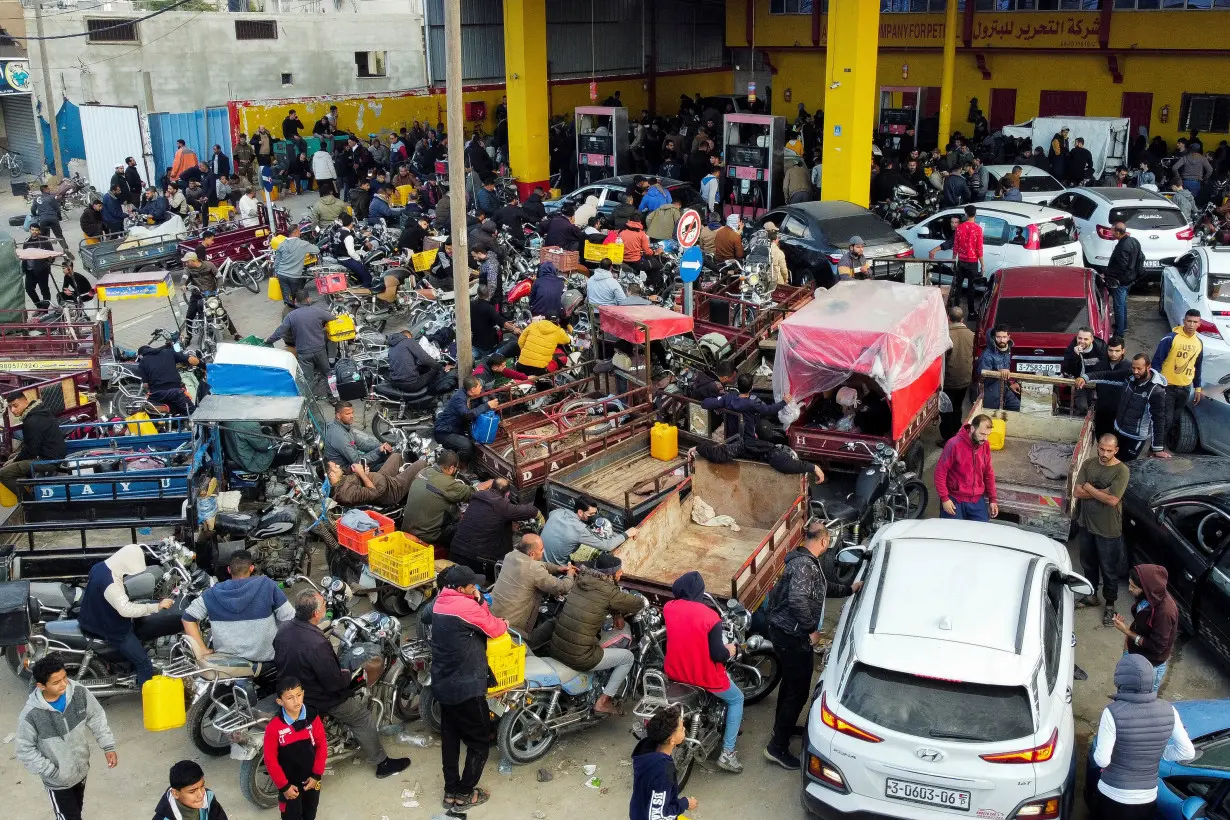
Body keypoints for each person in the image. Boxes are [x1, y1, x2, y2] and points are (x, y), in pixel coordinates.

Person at [274, 590, 409, 778]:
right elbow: (334, 684)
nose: (325, 607)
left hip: (290, 687)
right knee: (362, 717)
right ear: (315, 614)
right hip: (316, 697)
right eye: (323, 605)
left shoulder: (284, 630)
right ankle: (382, 763)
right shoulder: (316, 643)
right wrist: (349, 674)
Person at [763, 521, 858, 770]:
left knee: (791, 684)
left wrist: (850, 589)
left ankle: (781, 728)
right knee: (798, 689)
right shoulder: (805, 565)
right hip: (791, 636)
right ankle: (777, 747)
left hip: (784, 632)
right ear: (825, 541)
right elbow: (797, 600)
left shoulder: (804, 560)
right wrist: (811, 630)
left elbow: (822, 589)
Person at [430, 564, 507, 811]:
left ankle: (450, 790)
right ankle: (464, 794)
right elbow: (495, 628)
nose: (476, 588)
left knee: (451, 738)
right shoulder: (464, 607)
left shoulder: (440, 601)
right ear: (461, 588)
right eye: (472, 585)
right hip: (466, 687)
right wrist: (488, 609)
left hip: (443, 682)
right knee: (479, 741)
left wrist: (477, 600)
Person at [1089, 654, 1194, 820]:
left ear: (1120, 679)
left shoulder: (1112, 712)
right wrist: (1162, 753)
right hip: (1147, 797)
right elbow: (1187, 752)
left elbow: (1102, 760)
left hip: (1112, 794)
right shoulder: (1170, 710)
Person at [16, 653, 118, 820]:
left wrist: (108, 746)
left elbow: (96, 716)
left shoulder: (78, 692)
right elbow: (24, 750)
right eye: (56, 682)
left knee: (76, 811)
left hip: (81, 771)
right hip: (58, 782)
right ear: (41, 686)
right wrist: (53, 772)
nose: (64, 684)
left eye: (64, 677)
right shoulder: (31, 715)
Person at [663, 571, 744, 773]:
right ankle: (728, 753)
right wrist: (730, 650)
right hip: (704, 676)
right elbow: (717, 654)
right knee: (737, 699)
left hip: (675, 672)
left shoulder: (669, 608)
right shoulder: (710, 616)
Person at [549, 552, 645, 716]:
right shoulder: (609, 592)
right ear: (611, 574)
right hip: (580, 657)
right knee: (627, 658)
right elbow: (637, 603)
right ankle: (603, 701)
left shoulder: (581, 580)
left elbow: (599, 601)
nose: (621, 574)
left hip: (557, 647)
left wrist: (616, 613)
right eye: (619, 571)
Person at [76, 544, 174, 686]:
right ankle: (147, 698)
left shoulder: (99, 567)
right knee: (144, 662)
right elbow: (125, 610)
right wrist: (156, 607)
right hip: (110, 628)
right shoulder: (111, 584)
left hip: (91, 618)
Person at [181, 549, 294, 662]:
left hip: (228, 663)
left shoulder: (212, 593)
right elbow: (290, 617)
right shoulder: (267, 585)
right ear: (251, 568)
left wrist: (202, 650)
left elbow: (187, 618)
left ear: (229, 570)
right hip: (265, 661)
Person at [1072, 433, 1130, 627]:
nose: (1104, 453)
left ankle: (1110, 605)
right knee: (1088, 564)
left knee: (1109, 569)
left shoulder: (1121, 471)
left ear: (1116, 450)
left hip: (1108, 530)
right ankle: (1092, 596)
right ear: (1098, 447)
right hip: (1086, 525)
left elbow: (1113, 500)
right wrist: (1101, 491)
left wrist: (1089, 487)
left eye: (1109, 450)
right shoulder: (1089, 464)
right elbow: (1076, 492)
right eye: (1102, 449)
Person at [1077, 354, 1168, 462]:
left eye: (1139, 368)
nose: (1135, 371)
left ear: (1148, 367)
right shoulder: (1130, 376)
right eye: (1133, 368)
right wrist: (1085, 377)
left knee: (1124, 465)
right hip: (1118, 430)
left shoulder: (1156, 391)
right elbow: (1107, 375)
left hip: (1135, 438)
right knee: (1110, 460)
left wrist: (1157, 448)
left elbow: (1158, 419)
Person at [449, 477, 540, 581]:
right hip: (476, 561)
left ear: (490, 488)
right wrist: (539, 514)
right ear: (507, 494)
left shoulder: (476, 498)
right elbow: (529, 511)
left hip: (455, 550)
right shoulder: (503, 506)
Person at [261, 677, 326, 820]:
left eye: (299, 695)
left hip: (312, 780)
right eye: (290, 698)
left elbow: (322, 746)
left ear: (303, 693)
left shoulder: (312, 717)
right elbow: (270, 759)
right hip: (289, 785)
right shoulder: (274, 727)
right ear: (280, 701)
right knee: (290, 816)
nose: (296, 701)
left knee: (310, 812)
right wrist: (284, 787)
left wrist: (316, 776)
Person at [490, 534, 575, 638]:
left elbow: (540, 565)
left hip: (493, 615)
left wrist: (558, 568)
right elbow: (562, 587)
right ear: (532, 554)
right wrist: (570, 574)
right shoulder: (534, 569)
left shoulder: (510, 555)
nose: (543, 551)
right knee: (550, 627)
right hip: (511, 628)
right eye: (542, 549)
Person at [1113, 565, 1180, 694]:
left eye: (1133, 587)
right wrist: (1127, 648)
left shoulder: (1165, 613)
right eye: (1129, 584)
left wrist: (1126, 631)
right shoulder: (1148, 597)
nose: (1129, 589)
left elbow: (1157, 647)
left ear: (1146, 588)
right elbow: (1139, 623)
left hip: (1149, 666)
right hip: (1134, 655)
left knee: (1140, 701)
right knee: (1124, 692)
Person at [402, 450, 485, 548]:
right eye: (456, 469)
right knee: (469, 526)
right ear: (451, 468)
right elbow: (473, 493)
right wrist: (490, 482)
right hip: (428, 535)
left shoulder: (424, 471)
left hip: (407, 528)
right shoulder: (448, 483)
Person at [630, 705, 698, 820]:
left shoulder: (648, 751)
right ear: (672, 740)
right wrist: (685, 803)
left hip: (638, 812)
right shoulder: (662, 771)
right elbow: (658, 815)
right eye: (681, 729)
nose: (684, 730)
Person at [265, 290, 334, 397]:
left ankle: (307, 401)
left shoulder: (291, 316)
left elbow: (280, 332)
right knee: (327, 374)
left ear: (296, 301)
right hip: (319, 349)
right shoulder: (317, 311)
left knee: (307, 378)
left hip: (303, 352)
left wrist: (268, 340)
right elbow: (333, 318)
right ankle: (333, 397)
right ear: (308, 299)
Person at [1152, 309, 1205, 444]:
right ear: (1184, 321)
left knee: (1174, 418)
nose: (1191, 325)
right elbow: (1157, 361)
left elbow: (1197, 366)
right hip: (1167, 387)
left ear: (1199, 323)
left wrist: (1197, 388)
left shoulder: (1199, 343)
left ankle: (1162, 443)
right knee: (1166, 419)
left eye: (1195, 322)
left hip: (1185, 388)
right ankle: (1157, 448)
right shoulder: (1170, 338)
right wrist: (1157, 383)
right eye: (1189, 321)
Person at [935, 413, 999, 522]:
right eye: (982, 434)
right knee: (952, 536)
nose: (985, 438)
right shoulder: (953, 444)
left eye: (988, 434)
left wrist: (993, 499)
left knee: (981, 534)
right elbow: (940, 473)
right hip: (954, 500)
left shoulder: (985, 445)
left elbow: (988, 473)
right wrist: (945, 499)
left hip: (976, 500)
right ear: (972, 429)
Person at [541, 495, 635, 565]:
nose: (594, 516)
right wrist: (627, 533)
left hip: (540, 559)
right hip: (557, 567)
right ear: (580, 512)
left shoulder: (557, 512)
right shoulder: (580, 529)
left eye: (595, 513)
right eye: (591, 514)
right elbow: (608, 545)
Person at [434, 377, 498, 462]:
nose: (481, 388)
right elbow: (467, 415)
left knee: (473, 441)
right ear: (473, 389)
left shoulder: (468, 393)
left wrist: (490, 397)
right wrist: (487, 405)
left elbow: (483, 394)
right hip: (444, 431)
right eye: (479, 387)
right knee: (466, 445)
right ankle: (460, 468)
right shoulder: (459, 398)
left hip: (457, 428)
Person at [182, 251, 241, 341]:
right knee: (189, 316)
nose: (186, 263)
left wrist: (219, 287)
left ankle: (235, 334)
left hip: (211, 295)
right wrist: (183, 285)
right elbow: (184, 277)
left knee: (222, 313)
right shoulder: (188, 268)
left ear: (193, 260)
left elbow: (219, 277)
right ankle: (188, 337)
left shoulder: (209, 265)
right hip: (197, 295)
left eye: (187, 261)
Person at [327, 455, 424, 509]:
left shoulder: (341, 480)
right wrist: (361, 473)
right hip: (389, 491)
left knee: (396, 456)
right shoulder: (345, 493)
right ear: (331, 475)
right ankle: (404, 493)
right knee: (422, 463)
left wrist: (361, 473)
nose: (338, 466)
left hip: (382, 478)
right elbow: (373, 492)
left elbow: (357, 482)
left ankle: (407, 488)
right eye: (335, 467)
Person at [134, 342, 199, 418]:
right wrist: (202, 364)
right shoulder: (168, 352)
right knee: (190, 409)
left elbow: (145, 385)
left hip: (158, 394)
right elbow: (188, 359)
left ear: (140, 355)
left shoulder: (143, 361)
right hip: (176, 391)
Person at [325, 401, 392, 472]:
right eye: (348, 414)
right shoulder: (338, 436)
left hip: (353, 461)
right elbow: (357, 461)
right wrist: (378, 451)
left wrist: (381, 446)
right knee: (386, 466)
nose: (352, 416)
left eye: (352, 412)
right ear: (338, 416)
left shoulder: (345, 426)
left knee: (385, 454)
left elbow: (361, 444)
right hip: (347, 470)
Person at [940, 306, 975, 443]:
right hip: (965, 379)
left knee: (946, 410)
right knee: (957, 407)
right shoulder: (971, 334)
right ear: (962, 319)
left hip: (949, 381)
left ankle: (948, 439)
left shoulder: (946, 336)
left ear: (948, 318)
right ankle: (958, 431)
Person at [152, 760, 228, 820]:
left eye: (202, 786)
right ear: (175, 794)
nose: (201, 795)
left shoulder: (209, 799)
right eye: (192, 791)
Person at [1087, 336, 1131, 438]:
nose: (1113, 354)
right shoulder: (1099, 366)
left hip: (1120, 413)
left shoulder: (1129, 368)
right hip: (1102, 411)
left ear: (1123, 351)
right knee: (1101, 438)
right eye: (1110, 350)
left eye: (1117, 351)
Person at [1105, 222, 1144, 336]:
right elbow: (1140, 257)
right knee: (1122, 304)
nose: (1111, 232)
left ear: (1118, 232)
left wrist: (1108, 274)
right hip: (1130, 279)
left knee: (1119, 305)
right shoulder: (1133, 241)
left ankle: (1119, 331)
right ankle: (1123, 325)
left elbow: (1121, 266)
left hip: (1121, 281)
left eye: (1112, 230)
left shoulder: (1122, 247)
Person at [270, 224, 320, 309]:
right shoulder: (302, 244)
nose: (300, 233)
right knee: (296, 295)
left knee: (286, 295)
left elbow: (277, 261)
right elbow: (316, 250)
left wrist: (276, 273)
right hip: (294, 276)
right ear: (296, 232)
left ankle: (289, 308)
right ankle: (297, 311)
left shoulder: (281, 244)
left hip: (282, 274)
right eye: (299, 231)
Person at [387, 329, 451, 394]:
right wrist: (441, 368)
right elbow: (426, 359)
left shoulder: (392, 346)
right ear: (409, 336)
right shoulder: (408, 341)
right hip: (411, 384)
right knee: (434, 370)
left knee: (422, 368)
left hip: (395, 382)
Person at [1061, 326, 1108, 415]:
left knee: (1099, 407)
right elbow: (1068, 369)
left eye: (1086, 339)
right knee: (1082, 407)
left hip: (1097, 381)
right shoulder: (1072, 349)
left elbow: (1105, 367)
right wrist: (1075, 356)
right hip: (1080, 381)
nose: (1082, 341)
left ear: (1092, 339)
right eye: (1080, 338)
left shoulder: (1100, 348)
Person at [950, 204, 983, 318]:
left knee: (958, 287)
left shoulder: (960, 227)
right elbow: (979, 249)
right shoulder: (978, 229)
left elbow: (956, 246)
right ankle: (971, 312)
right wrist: (982, 264)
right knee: (971, 288)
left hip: (961, 262)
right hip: (973, 262)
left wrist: (954, 260)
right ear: (975, 214)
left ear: (965, 214)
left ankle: (955, 312)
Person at [979, 325, 1020, 411]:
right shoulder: (987, 355)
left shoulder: (1006, 350)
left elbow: (1007, 371)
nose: (1002, 340)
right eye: (999, 337)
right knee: (993, 416)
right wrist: (999, 372)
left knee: (1017, 407)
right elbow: (982, 376)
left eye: (1004, 337)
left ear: (1008, 337)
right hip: (991, 393)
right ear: (994, 337)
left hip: (1004, 389)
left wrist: (1011, 384)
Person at [29, 183, 72, 254]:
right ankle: (65, 248)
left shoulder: (37, 198)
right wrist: (59, 217)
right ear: (45, 190)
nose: (49, 190)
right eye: (48, 189)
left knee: (44, 236)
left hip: (43, 220)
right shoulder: (51, 197)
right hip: (53, 218)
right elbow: (57, 209)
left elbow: (33, 209)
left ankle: (45, 250)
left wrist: (36, 215)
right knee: (59, 235)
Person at [20, 225, 54, 308]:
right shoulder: (27, 241)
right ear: (30, 230)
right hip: (29, 270)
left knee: (44, 290)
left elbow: (52, 255)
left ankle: (45, 310)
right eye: (32, 230)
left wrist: (47, 262)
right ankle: (39, 307)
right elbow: (24, 254)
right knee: (29, 289)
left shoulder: (44, 241)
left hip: (42, 270)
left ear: (39, 231)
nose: (34, 232)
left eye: (36, 230)